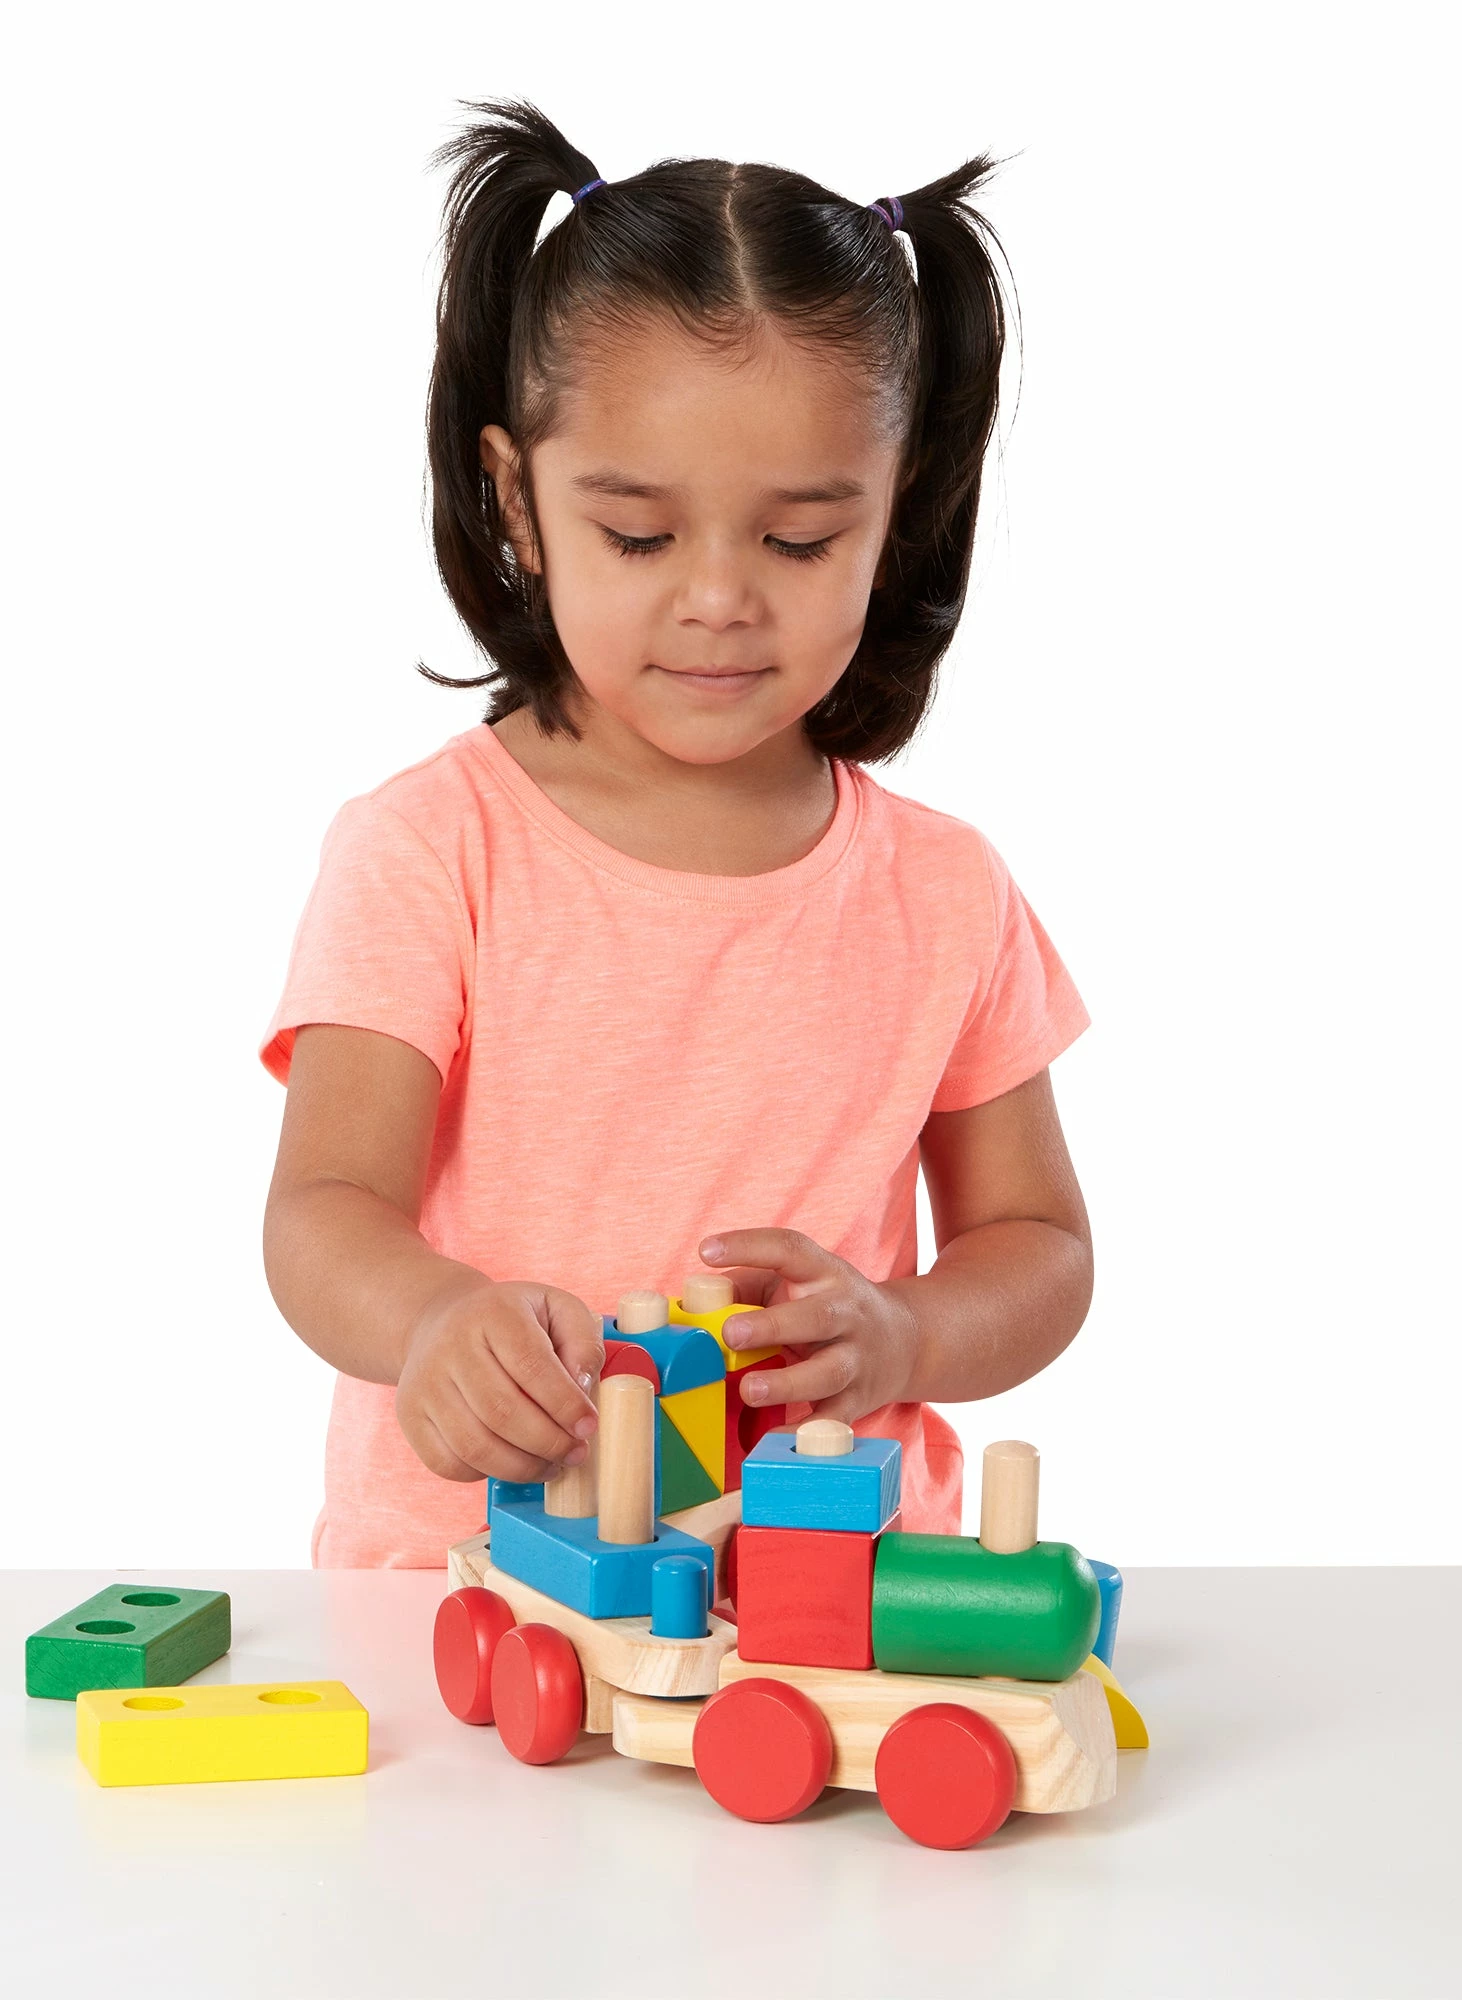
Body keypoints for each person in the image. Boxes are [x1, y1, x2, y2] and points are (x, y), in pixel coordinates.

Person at [260, 101, 1093, 1569]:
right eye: (639, 535)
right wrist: (436, 1319)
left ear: (899, 517)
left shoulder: (944, 890)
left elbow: (1040, 1249)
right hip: (478, 1581)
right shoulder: (429, 850)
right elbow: (324, 1213)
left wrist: (902, 1334)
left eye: (796, 540)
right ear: (519, 499)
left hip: (835, 1591)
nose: (718, 599)